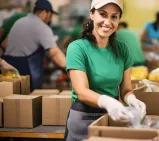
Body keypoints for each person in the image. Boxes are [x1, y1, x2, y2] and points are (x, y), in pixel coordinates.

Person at [64, 0, 146, 140]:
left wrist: (131, 99)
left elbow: (126, 89)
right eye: (103, 14)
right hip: (83, 121)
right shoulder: (77, 48)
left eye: (114, 17)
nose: (108, 22)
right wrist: (108, 102)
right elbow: (82, 92)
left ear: (119, 19)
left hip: (112, 118)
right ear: (92, 14)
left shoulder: (123, 49)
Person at [1, 0, 66, 91]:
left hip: (8, 68)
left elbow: (4, 44)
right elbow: (55, 53)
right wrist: (70, 67)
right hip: (26, 70)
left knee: (11, 101)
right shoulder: (42, 27)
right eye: (50, 15)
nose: (50, 19)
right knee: (28, 101)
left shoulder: (19, 22)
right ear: (45, 12)